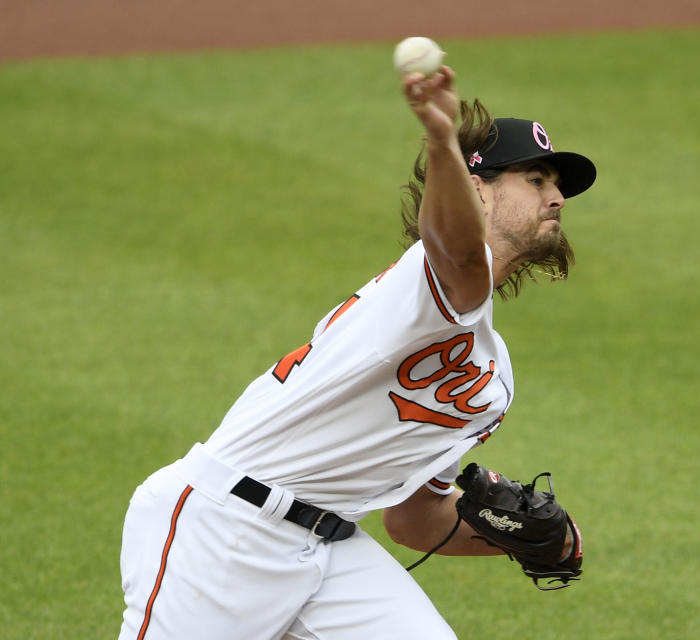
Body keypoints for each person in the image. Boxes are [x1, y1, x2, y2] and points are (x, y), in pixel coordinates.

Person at [117, 64, 596, 640]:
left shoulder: (493, 377)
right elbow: (461, 254)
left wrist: (539, 542)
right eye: (537, 179)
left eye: (558, 185)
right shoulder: (428, 281)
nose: (558, 197)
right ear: (476, 190)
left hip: (329, 550)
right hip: (224, 529)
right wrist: (443, 141)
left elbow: (417, 520)